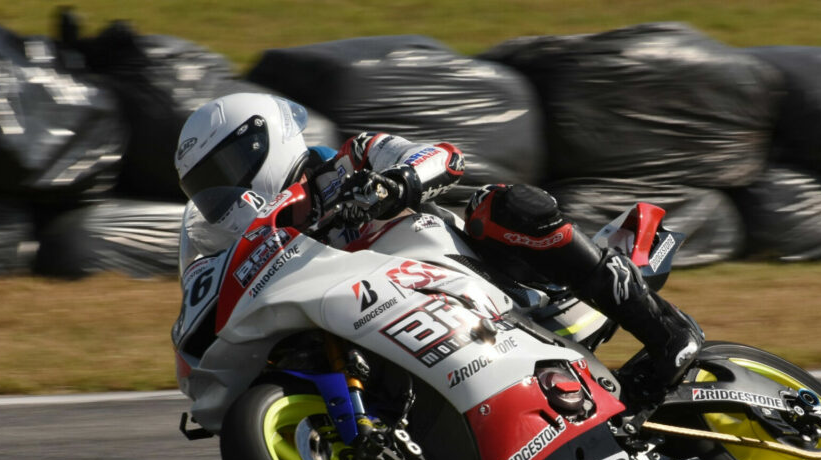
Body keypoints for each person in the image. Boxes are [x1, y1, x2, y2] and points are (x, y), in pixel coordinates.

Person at [174, 92, 701, 392]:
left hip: (486, 281)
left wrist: (395, 181)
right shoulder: (272, 245)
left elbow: (444, 155)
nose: (225, 196)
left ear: (265, 142)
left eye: (228, 172)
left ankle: (664, 329)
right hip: (396, 320)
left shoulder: (352, 158)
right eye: (208, 190)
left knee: (501, 205)